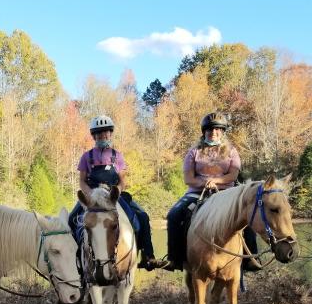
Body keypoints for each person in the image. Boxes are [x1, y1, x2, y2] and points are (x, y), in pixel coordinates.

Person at [68, 115, 167, 271]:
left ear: (110, 133)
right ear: (94, 136)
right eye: (99, 134)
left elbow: (122, 181)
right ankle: (75, 261)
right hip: (93, 196)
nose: (103, 136)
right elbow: (81, 181)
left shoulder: (118, 156)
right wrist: (91, 194)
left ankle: (147, 256)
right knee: (71, 219)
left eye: (106, 133)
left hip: (112, 195)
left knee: (141, 216)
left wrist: (116, 193)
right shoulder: (86, 157)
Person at [164, 112, 260, 271]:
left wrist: (215, 181)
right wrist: (204, 183)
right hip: (197, 193)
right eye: (209, 129)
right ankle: (175, 258)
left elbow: (233, 175)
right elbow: (189, 179)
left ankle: (251, 258)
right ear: (204, 131)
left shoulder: (231, 151)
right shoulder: (193, 152)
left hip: (226, 193)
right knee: (174, 214)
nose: (213, 132)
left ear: (222, 131)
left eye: (217, 129)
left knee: (247, 214)